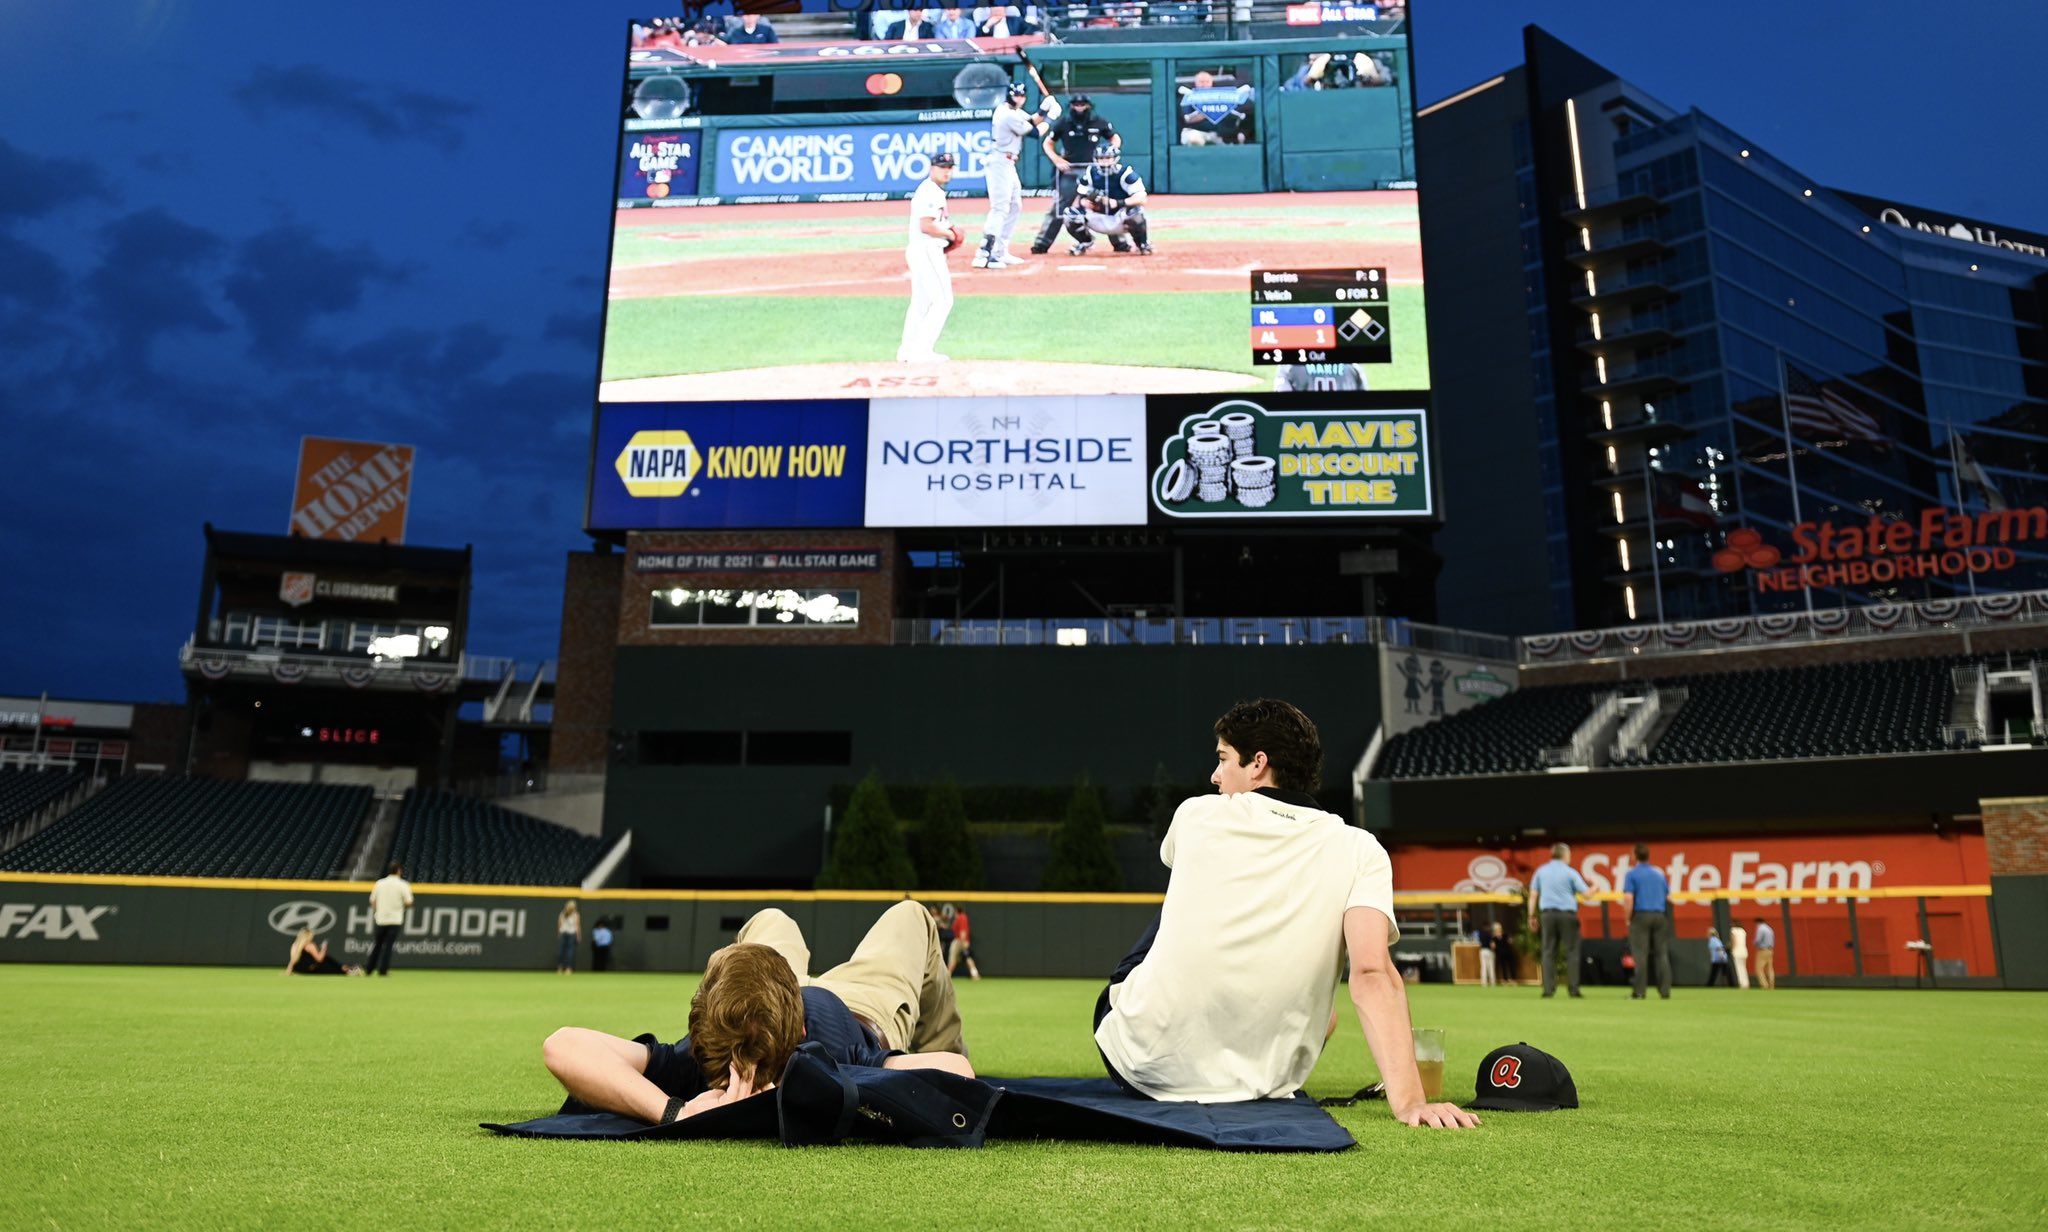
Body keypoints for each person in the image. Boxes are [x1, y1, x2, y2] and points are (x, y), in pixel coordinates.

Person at [1093, 698, 1477, 1127]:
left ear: (1258, 764)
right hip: (1266, 1083)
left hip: (1142, 1062)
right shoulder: (1362, 848)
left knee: (1185, 901)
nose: (1214, 776)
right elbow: (1371, 973)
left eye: (1223, 759)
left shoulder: (1195, 814)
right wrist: (1411, 1103)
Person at [541, 901, 973, 1124]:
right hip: (859, 1008)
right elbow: (958, 1071)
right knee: (910, 914)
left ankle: (750, 984)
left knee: (775, 919)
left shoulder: (699, 1063)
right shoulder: (833, 1059)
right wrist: (676, 1111)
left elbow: (561, 1045)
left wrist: (677, 1109)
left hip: (812, 999)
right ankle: (750, 985)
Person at [974, 83, 1058, 269]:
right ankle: (984, 254)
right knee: (1000, 208)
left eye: (1021, 95)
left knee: (1015, 205)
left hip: (1008, 163)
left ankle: (1000, 251)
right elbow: (1035, 132)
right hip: (999, 162)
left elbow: (1032, 120)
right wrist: (1052, 117)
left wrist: (1044, 108)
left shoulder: (1013, 111)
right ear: (1009, 95)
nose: (1019, 98)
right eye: (1015, 95)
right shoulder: (1006, 114)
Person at [1030, 93, 1123, 254]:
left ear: (1088, 105)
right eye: (1076, 104)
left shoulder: (1099, 122)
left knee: (1104, 203)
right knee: (1060, 207)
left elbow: (1115, 138)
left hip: (1095, 171)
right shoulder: (1063, 123)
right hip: (1071, 170)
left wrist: (1109, 155)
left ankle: (1120, 243)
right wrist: (1057, 159)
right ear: (1071, 106)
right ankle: (1041, 244)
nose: (1079, 107)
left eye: (1083, 104)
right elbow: (1048, 143)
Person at [899, 151, 960, 362]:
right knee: (943, 301)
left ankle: (907, 351)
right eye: (942, 167)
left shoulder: (931, 190)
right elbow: (926, 226)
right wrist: (950, 234)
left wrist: (945, 234)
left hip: (922, 250)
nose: (946, 171)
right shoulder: (930, 191)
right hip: (926, 249)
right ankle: (922, 351)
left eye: (949, 167)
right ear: (932, 168)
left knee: (921, 302)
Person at [1059, 142, 1153, 256]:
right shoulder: (1090, 173)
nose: (1105, 161)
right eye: (1101, 158)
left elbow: (1142, 199)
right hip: (1098, 216)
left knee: (1136, 212)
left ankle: (1142, 243)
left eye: (1108, 158)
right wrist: (1085, 202)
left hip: (1120, 217)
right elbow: (1080, 197)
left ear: (1115, 158)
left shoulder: (1126, 174)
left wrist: (1117, 202)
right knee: (1070, 213)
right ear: (1096, 159)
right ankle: (1085, 242)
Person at [1527, 842, 1589, 998]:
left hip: (1547, 915)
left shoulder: (1541, 871)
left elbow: (1533, 895)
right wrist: (1594, 888)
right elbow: (1586, 894)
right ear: (1565, 855)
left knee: (1548, 952)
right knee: (1572, 952)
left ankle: (1548, 990)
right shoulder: (1570, 872)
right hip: (1567, 915)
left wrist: (1531, 916)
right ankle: (1573, 990)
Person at [1623, 843, 1673, 1000]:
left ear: (1635, 856)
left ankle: (1639, 992)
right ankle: (1665, 991)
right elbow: (1669, 898)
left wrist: (1627, 918)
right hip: (1660, 916)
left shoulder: (1632, 874)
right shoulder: (1659, 873)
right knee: (1662, 954)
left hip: (1641, 916)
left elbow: (1628, 898)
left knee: (1640, 955)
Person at [1178, 71, 1254, 146]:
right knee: (1192, 138)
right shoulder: (1190, 97)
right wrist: (1207, 112)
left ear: (1211, 82)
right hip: (1200, 132)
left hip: (1225, 134)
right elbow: (1187, 119)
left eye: (1207, 81)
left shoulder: (1225, 95)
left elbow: (1242, 114)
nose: (1204, 84)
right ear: (1196, 83)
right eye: (1201, 81)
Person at [365, 861, 412, 977]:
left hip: (381, 918)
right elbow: (409, 902)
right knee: (388, 946)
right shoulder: (403, 884)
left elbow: (372, 901)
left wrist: (379, 910)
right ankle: (383, 970)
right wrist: (400, 907)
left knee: (377, 945)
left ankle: (369, 969)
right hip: (395, 919)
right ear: (399, 871)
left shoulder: (379, 883)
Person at [285, 927, 355, 975]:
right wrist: (324, 948)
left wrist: (288, 970)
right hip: (311, 970)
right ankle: (348, 970)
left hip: (299, 970)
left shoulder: (295, 945)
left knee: (329, 960)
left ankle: (346, 969)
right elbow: (319, 959)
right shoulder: (310, 945)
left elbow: (293, 960)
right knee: (328, 960)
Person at [944, 902, 981, 981]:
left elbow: (962, 932)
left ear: (957, 910)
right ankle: (975, 974)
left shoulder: (961, 917)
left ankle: (947, 976)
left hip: (959, 941)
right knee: (967, 958)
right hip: (963, 941)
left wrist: (963, 943)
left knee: (953, 959)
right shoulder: (962, 917)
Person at [1486, 920, 1518, 984]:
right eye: (1496, 929)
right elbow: (1493, 946)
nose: (1498, 930)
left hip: (1509, 953)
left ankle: (1513, 979)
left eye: (1499, 928)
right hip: (1500, 954)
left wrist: (1511, 940)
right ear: (1495, 930)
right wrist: (1492, 945)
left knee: (1511, 966)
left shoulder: (1505, 935)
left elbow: (1510, 941)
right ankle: (1505, 980)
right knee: (1503, 967)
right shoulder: (1494, 938)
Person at [556, 900, 582, 975]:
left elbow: (559, 925)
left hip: (566, 933)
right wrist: (578, 935)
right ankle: (567, 969)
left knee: (565, 952)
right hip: (569, 934)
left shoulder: (564, 914)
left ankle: (560, 968)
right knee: (568, 952)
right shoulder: (570, 914)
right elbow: (577, 926)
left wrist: (559, 933)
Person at [1752, 916, 1777, 990]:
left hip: (1762, 950)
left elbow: (1758, 940)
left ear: (1757, 922)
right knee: (1770, 968)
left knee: (1759, 969)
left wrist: (1754, 943)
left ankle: (1764, 985)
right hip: (1770, 950)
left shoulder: (1760, 929)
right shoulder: (1769, 929)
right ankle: (1771, 985)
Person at [1730, 923, 1751, 989]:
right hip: (1744, 951)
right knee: (1744, 968)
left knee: (1739, 969)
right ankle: (1746, 983)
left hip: (1737, 952)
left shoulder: (1733, 930)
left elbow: (1734, 941)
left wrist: (1732, 949)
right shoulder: (1743, 931)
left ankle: (1742, 983)